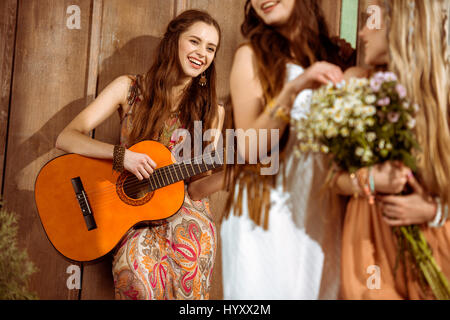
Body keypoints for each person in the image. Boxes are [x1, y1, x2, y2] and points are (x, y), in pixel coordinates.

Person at [55, 10, 225, 300]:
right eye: (195, 42)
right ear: (173, 40)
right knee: (136, 278)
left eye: (210, 48)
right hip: (135, 216)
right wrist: (123, 157)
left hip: (189, 225)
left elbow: (196, 188)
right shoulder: (129, 88)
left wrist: (230, 175)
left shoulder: (213, 111)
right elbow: (66, 137)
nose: (202, 53)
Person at [220, 0, 355, 299]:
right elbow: (250, 149)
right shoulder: (250, 55)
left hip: (319, 214)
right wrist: (292, 91)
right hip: (266, 217)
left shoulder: (336, 55)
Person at [334, 0, 450, 299]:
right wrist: (369, 179)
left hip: (434, 246)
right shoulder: (354, 85)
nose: (360, 33)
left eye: (370, 20)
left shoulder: (442, 96)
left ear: (402, 23)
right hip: (368, 246)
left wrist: (436, 211)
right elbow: (328, 179)